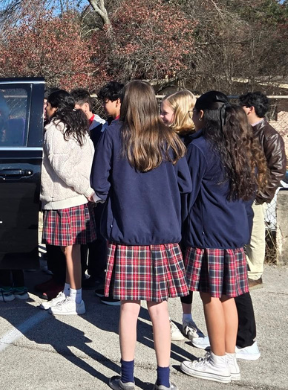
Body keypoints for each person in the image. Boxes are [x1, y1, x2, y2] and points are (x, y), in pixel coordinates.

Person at [91, 81, 190, 390]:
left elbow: (99, 184)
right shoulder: (169, 138)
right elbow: (185, 184)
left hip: (126, 233)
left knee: (129, 308)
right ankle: (164, 382)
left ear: (127, 103)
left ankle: (128, 378)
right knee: (159, 309)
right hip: (164, 234)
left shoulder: (113, 135)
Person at [179, 92, 268, 384]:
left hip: (208, 235)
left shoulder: (200, 148)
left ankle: (217, 360)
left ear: (204, 115)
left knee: (210, 297)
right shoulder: (242, 148)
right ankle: (227, 357)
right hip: (233, 233)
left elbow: (187, 194)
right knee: (228, 296)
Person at [37, 90, 96, 316]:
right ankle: (69, 292)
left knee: (70, 250)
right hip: (75, 197)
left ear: (55, 108)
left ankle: (76, 298)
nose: (45, 110)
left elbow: (61, 167)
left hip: (64, 197)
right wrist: (86, 190)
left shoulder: (54, 130)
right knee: (71, 250)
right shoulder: (80, 128)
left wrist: (86, 189)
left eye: (47, 106)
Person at [160, 90, 207, 343]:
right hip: (170, 214)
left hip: (187, 215)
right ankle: (164, 318)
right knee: (168, 269)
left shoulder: (192, 141)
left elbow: (189, 184)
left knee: (186, 272)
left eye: (165, 112)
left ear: (178, 113)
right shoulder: (164, 138)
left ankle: (187, 318)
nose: (160, 116)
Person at [239, 91, 285, 288]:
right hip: (243, 192)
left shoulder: (269, 135)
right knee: (246, 233)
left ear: (250, 108)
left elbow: (278, 169)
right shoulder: (246, 130)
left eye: (242, 106)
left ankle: (255, 273)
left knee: (255, 234)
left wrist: (262, 194)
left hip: (255, 195)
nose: (240, 110)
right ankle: (245, 269)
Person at [67, 88, 109, 301]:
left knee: (97, 234)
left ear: (86, 107)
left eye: (77, 109)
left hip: (96, 187)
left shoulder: (100, 127)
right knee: (82, 234)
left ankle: (97, 272)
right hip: (83, 187)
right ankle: (80, 269)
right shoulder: (77, 127)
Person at [94, 80, 125, 307]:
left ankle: (115, 289)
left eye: (107, 101)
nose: (104, 106)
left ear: (119, 101)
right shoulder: (111, 125)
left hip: (116, 195)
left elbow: (102, 170)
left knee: (115, 242)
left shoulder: (116, 130)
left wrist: (100, 194)